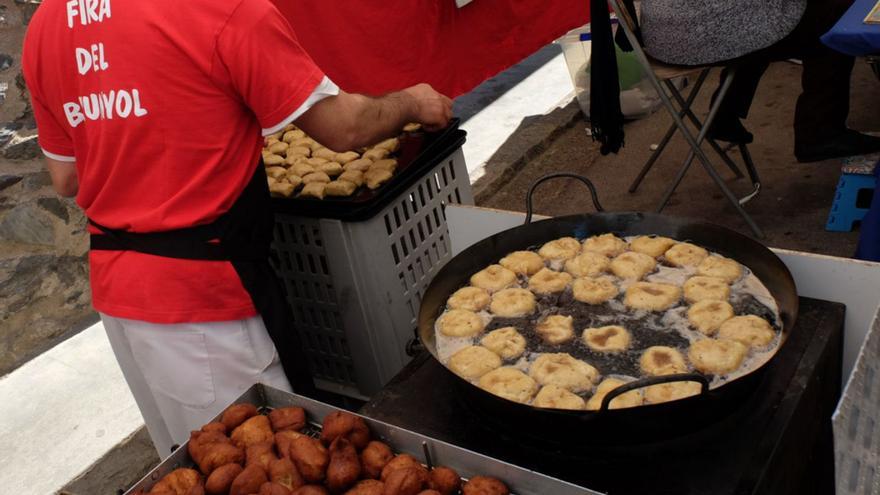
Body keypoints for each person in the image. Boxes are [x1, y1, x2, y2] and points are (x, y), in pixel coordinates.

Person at [22, 0, 452, 457]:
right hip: (205, 308)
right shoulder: (219, 7)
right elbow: (343, 128)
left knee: (190, 466)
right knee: (263, 468)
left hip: (120, 299)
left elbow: (67, 177)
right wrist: (413, 102)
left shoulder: (48, 22)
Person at [638, 0, 880, 162]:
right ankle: (821, 132)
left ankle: (724, 113)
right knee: (833, 20)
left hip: (666, 31)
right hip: (694, 33)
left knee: (774, 15)